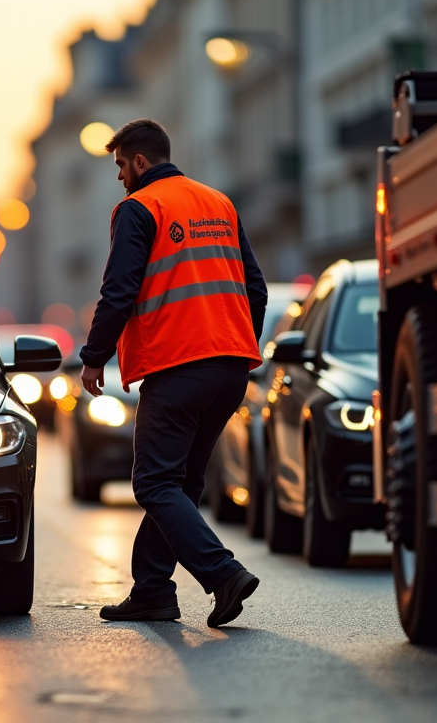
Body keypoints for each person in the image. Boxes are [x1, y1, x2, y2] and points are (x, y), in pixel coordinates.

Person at [80, 119, 269, 628]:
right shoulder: (219, 203)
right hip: (230, 368)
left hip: (179, 366)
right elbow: (257, 288)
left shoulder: (139, 208)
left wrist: (95, 355)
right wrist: (235, 342)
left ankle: (221, 572)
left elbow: (119, 290)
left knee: (154, 483)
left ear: (140, 162)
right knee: (179, 484)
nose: (119, 177)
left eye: (121, 165)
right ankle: (153, 592)